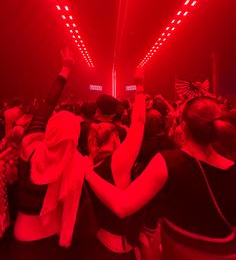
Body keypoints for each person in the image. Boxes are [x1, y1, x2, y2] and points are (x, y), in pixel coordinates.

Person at [85, 96, 236, 259]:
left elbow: (122, 206)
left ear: (183, 126)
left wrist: (88, 173)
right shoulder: (232, 167)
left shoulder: (168, 162)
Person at [9, 47, 84, 260]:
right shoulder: (75, 163)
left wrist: (65, 71)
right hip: (54, 234)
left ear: (49, 130)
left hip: (23, 233)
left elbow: (48, 104)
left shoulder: (29, 145)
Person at [80, 69, 146, 259]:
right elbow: (139, 123)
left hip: (97, 240)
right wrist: (140, 89)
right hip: (118, 246)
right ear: (116, 138)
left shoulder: (87, 164)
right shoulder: (117, 163)